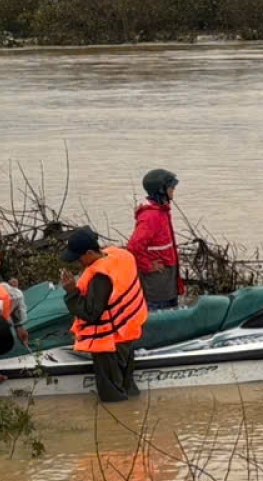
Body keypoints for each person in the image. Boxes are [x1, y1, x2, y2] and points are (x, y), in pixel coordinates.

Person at [59, 228, 147, 402]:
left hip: (108, 341)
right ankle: (134, 416)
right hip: (126, 335)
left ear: (90, 252)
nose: (78, 263)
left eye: (79, 258)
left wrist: (71, 291)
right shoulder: (121, 257)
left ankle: (117, 424)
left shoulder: (101, 277)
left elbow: (90, 313)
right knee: (127, 385)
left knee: (112, 393)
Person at [128, 169, 183, 311]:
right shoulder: (151, 216)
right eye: (171, 186)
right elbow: (134, 247)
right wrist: (148, 266)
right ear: (161, 190)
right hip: (157, 286)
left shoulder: (161, 211)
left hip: (167, 281)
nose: (174, 189)